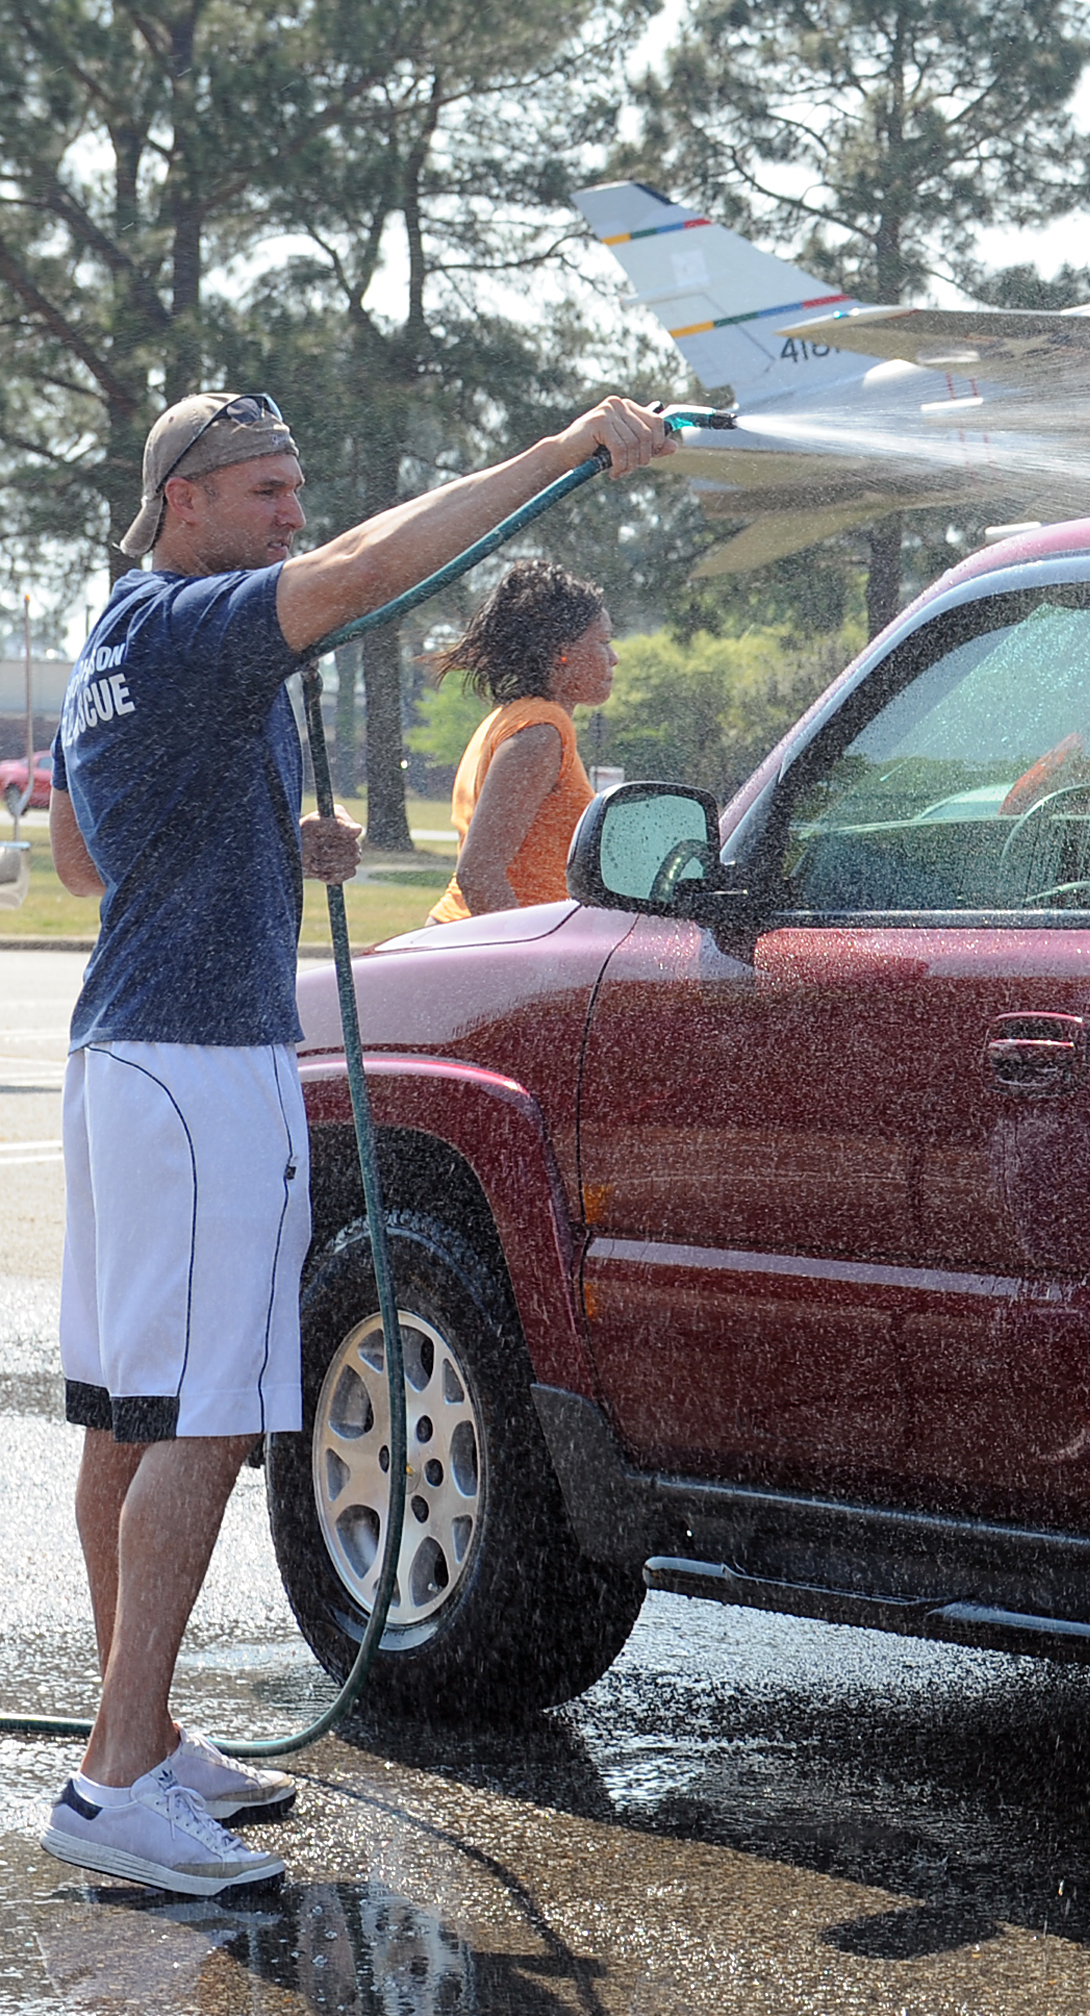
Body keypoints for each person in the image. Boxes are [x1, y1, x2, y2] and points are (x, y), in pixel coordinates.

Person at [40, 388, 678, 1895]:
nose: (292, 516)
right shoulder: (198, 626)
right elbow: (377, 570)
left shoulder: (115, 639)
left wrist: (278, 846)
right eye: (266, 491)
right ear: (183, 498)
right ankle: (119, 1779)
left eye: (298, 486)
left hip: (131, 1052)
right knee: (204, 1415)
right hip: (200, 1065)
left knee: (127, 1412)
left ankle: (142, 1728)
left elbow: (82, 859)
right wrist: (566, 451)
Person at [426, 560, 610, 923]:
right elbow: (479, 873)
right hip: (485, 947)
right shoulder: (540, 730)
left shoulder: (510, 718)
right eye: (603, 641)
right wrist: (525, 966)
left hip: (463, 935)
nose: (614, 658)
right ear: (562, 652)